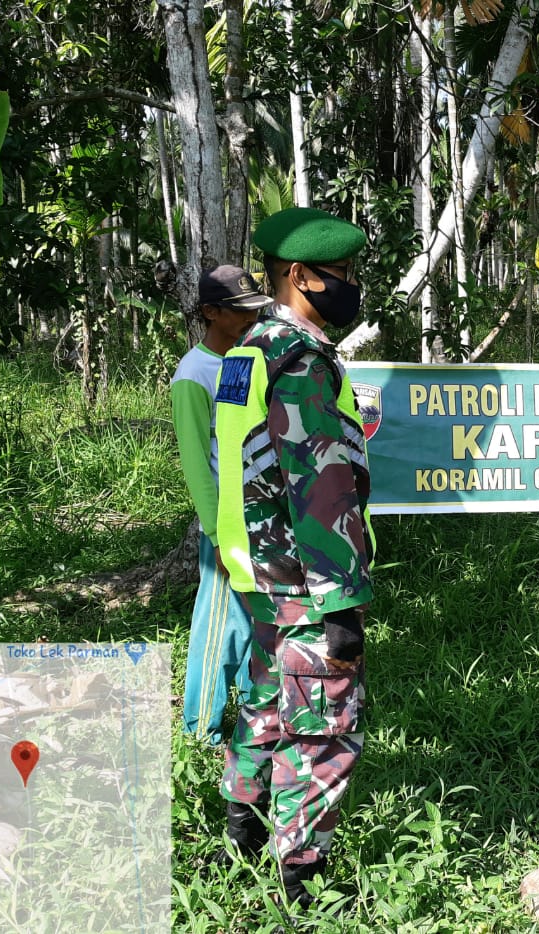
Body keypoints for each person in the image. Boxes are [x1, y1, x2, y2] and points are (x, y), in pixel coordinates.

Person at [212, 207, 376, 912]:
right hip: (303, 580)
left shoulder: (247, 350)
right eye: (338, 275)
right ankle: (302, 886)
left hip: (253, 572)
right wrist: (342, 603)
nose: (348, 287)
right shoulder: (301, 360)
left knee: (265, 705)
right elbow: (321, 484)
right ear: (298, 275)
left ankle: (240, 830)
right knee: (322, 724)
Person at [170, 265, 271, 743]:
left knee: (258, 622)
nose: (249, 319)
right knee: (219, 627)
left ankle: (258, 717)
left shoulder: (247, 361)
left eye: (255, 309)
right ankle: (200, 729)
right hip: (225, 523)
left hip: (261, 515)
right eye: (239, 311)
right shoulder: (194, 373)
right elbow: (197, 462)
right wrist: (216, 533)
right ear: (209, 312)